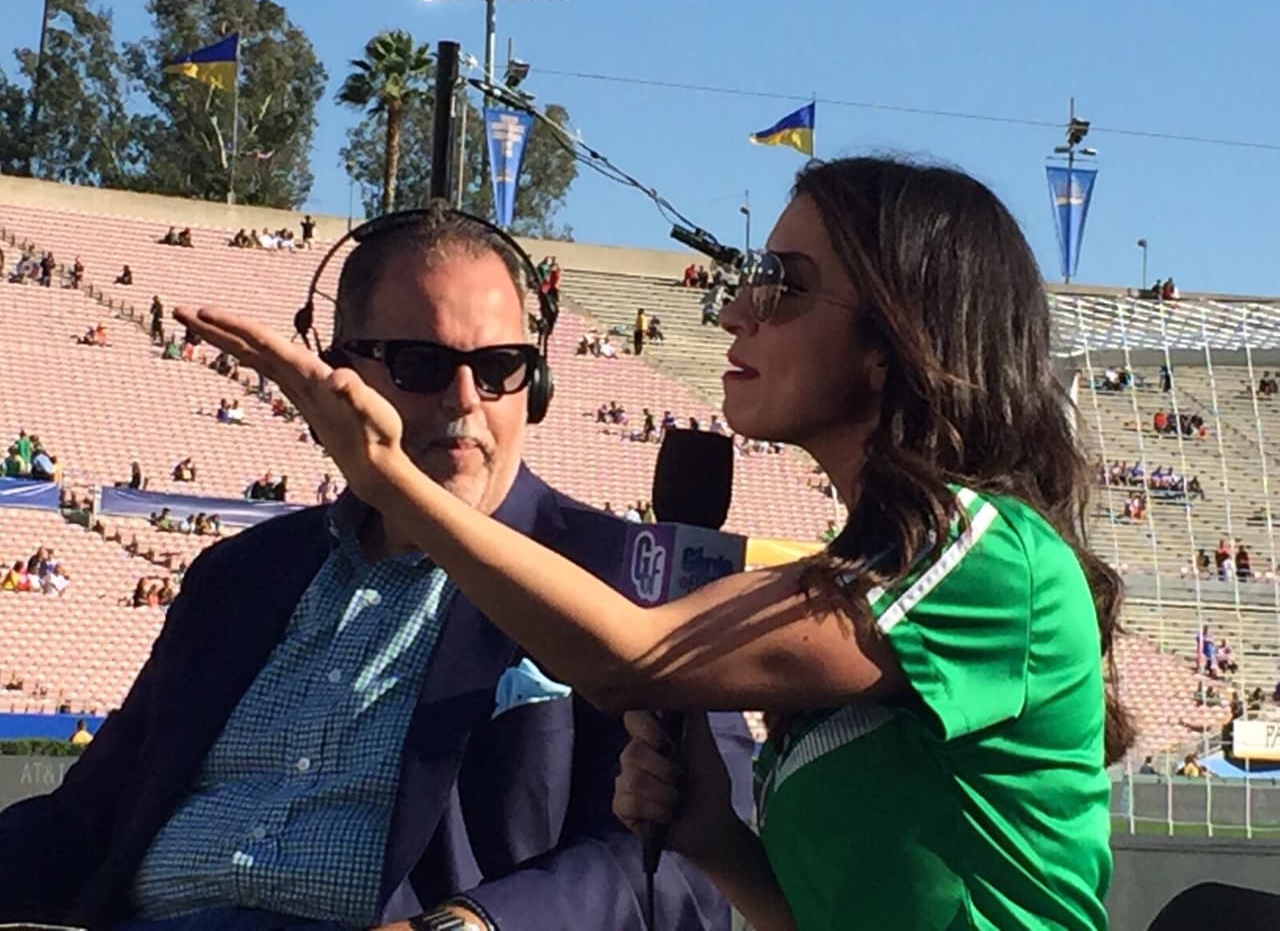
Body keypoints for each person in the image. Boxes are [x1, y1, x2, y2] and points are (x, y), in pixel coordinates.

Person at [179, 157, 1130, 931]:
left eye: (786, 288)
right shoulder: (875, 569)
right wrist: (713, 839)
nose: (734, 311)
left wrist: (390, 476)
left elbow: (630, 660)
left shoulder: (985, 552)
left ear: (894, 343)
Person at [0, 204, 754, 931]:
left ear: (540, 387)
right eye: (422, 365)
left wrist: (470, 926)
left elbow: (678, 870)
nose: (466, 399)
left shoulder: (629, 578)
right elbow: (85, 818)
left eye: (499, 368)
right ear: (338, 379)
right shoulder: (235, 576)